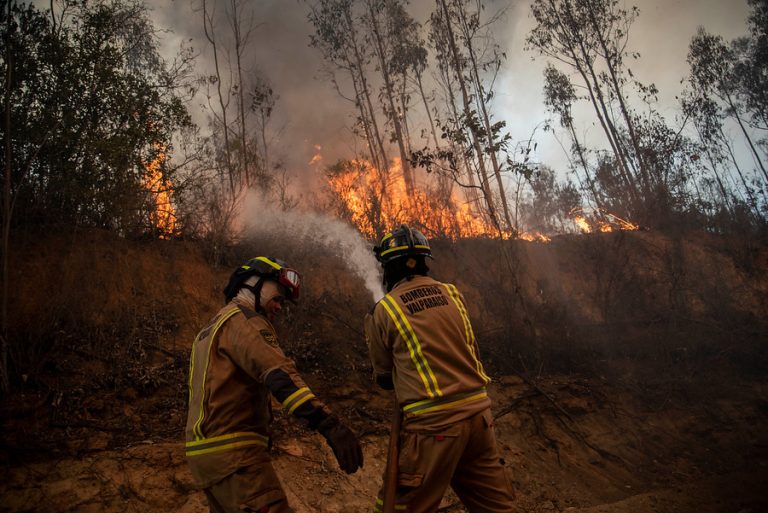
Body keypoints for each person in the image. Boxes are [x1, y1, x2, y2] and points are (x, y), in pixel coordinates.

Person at [185, 256, 363, 513]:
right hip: (237, 456)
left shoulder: (210, 329)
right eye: (278, 297)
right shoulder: (245, 321)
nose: (280, 307)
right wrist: (330, 425)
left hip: (204, 458)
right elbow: (280, 376)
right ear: (253, 283)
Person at [364, 225, 516, 513]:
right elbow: (472, 351)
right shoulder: (453, 294)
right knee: (496, 507)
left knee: (400, 506)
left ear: (389, 268)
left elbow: (384, 379)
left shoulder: (385, 310)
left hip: (434, 427)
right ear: (424, 262)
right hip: (480, 418)